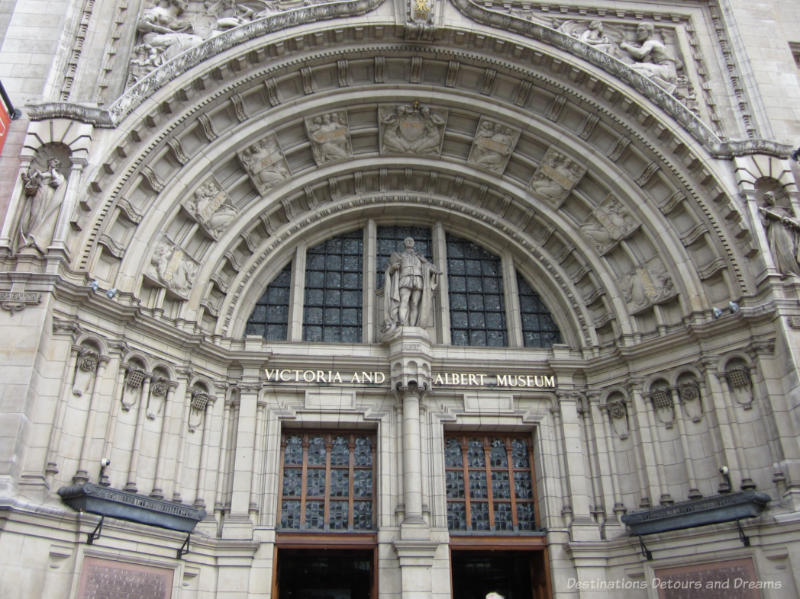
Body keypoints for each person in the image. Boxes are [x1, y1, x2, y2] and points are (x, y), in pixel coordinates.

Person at [383, 238, 440, 330]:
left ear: (413, 243)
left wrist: (427, 264)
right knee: (404, 301)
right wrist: (393, 268)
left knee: (414, 303)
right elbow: (390, 270)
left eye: (411, 241)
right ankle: (403, 324)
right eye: (407, 241)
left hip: (418, 280)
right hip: (405, 279)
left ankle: (413, 327)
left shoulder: (419, 257)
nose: (410, 242)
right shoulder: (399, 256)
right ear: (404, 243)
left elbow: (430, 268)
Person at [18, 158, 66, 253]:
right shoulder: (41, 172)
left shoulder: (57, 175)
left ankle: (36, 239)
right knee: (34, 214)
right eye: (55, 161)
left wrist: (52, 172)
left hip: (49, 194)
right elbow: (32, 180)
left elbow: (59, 182)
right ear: (50, 162)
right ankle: (28, 238)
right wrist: (28, 179)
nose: (56, 164)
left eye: (58, 163)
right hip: (39, 192)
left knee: (42, 215)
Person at [619, 22, 677, 90]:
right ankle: (665, 86)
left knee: (631, 68)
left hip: (665, 69)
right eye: (637, 31)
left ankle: (666, 86)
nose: (638, 33)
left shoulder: (650, 42)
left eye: (641, 30)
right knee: (639, 70)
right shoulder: (650, 44)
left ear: (649, 32)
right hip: (666, 70)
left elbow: (640, 54)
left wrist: (626, 46)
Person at [759, 192, 800, 277]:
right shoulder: (767, 210)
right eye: (767, 199)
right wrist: (765, 215)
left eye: (771, 197)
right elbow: (765, 224)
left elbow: (794, 221)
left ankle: (795, 271)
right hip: (775, 231)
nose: (770, 199)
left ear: (774, 197)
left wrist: (788, 220)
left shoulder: (782, 209)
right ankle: (787, 271)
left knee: (790, 249)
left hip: (786, 230)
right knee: (782, 251)